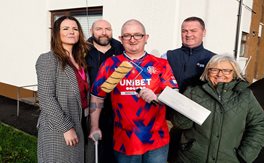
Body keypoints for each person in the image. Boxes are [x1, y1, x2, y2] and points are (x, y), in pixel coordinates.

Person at [89, 19, 178, 163]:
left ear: (146, 38)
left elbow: (175, 95)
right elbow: (97, 97)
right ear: (120, 39)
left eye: (138, 35)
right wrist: (94, 127)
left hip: (156, 139)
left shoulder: (160, 64)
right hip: (125, 140)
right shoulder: (110, 64)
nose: (132, 39)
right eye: (127, 35)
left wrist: (157, 96)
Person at [171, 54, 264, 163]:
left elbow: (259, 126)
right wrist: (183, 107)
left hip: (228, 159)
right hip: (192, 158)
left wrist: (245, 155)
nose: (220, 74)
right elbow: (181, 124)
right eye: (214, 70)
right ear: (207, 72)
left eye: (226, 70)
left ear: (234, 73)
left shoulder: (245, 96)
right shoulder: (193, 92)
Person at [36, 16, 91, 162]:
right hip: (58, 129)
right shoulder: (48, 59)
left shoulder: (80, 60)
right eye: (65, 28)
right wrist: (66, 127)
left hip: (80, 123)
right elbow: (46, 98)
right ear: (56, 33)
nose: (71, 32)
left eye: (75, 29)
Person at [163, 16, 215, 162]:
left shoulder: (213, 59)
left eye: (193, 30)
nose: (188, 34)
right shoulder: (168, 56)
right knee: (167, 155)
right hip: (169, 119)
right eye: (184, 30)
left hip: (198, 121)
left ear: (204, 32)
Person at [85, 19, 124, 163]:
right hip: (92, 107)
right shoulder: (83, 50)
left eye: (108, 29)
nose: (104, 32)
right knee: (93, 148)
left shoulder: (121, 48)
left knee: (115, 149)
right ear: (91, 31)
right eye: (99, 29)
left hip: (117, 108)